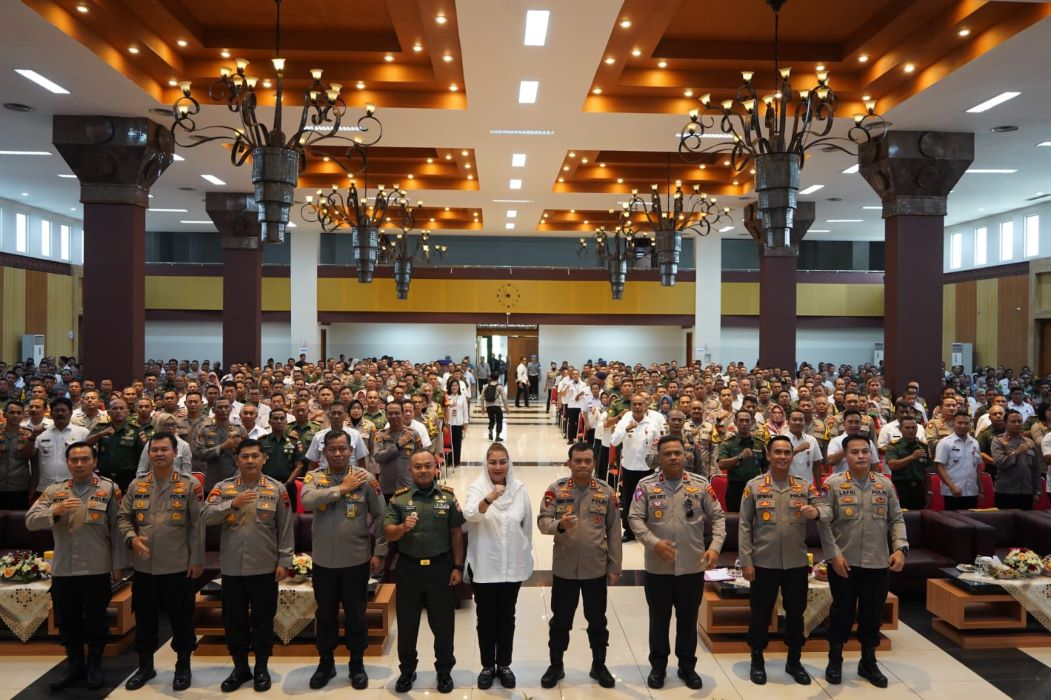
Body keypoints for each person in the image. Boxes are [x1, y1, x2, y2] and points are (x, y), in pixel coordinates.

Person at [25, 442, 124, 691]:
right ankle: (74, 665)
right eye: (74, 460)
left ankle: (94, 666)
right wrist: (55, 511)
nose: (79, 464)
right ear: (68, 463)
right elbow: (30, 521)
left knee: (96, 621)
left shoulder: (109, 489)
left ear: (94, 462)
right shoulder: (54, 491)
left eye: (84, 459)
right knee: (67, 621)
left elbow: (118, 528)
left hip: (97, 568)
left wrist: (119, 565)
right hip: (63, 569)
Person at [629, 435, 725, 690]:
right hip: (658, 568)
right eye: (668, 454)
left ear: (685, 456)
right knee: (658, 620)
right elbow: (635, 518)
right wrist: (653, 542)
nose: (673, 457)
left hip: (691, 566)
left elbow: (718, 517)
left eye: (678, 453)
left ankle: (687, 666)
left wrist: (714, 548)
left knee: (687, 619)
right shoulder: (646, 485)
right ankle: (658, 667)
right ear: (658, 458)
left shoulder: (700, 484)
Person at [738, 436, 832, 686]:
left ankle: (794, 660)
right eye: (777, 452)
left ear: (793, 456)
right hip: (763, 563)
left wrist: (817, 512)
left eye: (786, 452)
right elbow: (744, 526)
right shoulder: (754, 486)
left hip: (796, 564)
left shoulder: (804, 486)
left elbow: (827, 510)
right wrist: (746, 560)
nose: (782, 457)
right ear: (768, 455)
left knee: (796, 614)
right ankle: (757, 658)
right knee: (759, 613)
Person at [202, 439, 294, 693]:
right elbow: (205, 516)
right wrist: (232, 503)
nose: (250, 461)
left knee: (264, 620)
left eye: (255, 456)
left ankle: (261, 667)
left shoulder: (277, 489)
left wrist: (285, 561)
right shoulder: (223, 488)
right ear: (236, 460)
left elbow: (285, 529)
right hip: (232, 568)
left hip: (265, 567)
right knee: (234, 621)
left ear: (264, 459)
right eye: (245, 456)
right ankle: (240, 667)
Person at [117, 432, 205, 691]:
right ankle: (145, 666)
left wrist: (197, 559)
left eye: (164, 449)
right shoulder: (137, 485)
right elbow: (123, 518)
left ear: (175, 453)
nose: (158, 454)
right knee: (144, 618)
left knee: (181, 619)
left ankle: (183, 666)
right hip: (144, 567)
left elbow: (197, 526)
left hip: (178, 565)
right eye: (154, 450)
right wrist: (132, 538)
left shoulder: (190, 485)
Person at [300, 430, 387, 690]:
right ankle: (325, 662)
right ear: (324, 452)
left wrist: (379, 552)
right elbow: (307, 500)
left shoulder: (365, 478)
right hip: (324, 562)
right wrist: (341, 489)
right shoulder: (314, 477)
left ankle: (356, 663)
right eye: (332, 449)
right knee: (324, 615)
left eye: (342, 449)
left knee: (356, 615)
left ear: (351, 450)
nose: (337, 454)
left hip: (356, 560)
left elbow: (381, 515)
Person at [823, 435, 908, 688]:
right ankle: (835, 659)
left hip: (877, 561)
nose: (861, 456)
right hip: (843, 562)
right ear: (845, 456)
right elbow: (824, 524)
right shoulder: (833, 484)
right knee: (841, 613)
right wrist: (833, 555)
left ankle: (868, 661)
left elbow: (896, 520)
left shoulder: (884, 485)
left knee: (872, 614)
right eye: (855, 452)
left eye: (865, 452)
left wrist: (901, 548)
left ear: (871, 455)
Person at [536, 442, 622, 689]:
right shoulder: (557, 490)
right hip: (564, 569)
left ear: (594, 463)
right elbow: (543, 522)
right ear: (569, 463)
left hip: (595, 568)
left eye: (587, 461)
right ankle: (556, 665)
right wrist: (559, 525)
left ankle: (599, 664)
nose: (583, 465)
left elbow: (614, 532)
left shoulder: (606, 492)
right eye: (578, 461)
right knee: (560, 620)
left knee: (597, 620)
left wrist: (615, 567)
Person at [383, 450, 465, 694]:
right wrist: (402, 527)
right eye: (417, 467)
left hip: (440, 569)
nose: (423, 470)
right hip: (409, 569)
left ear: (436, 468)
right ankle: (407, 671)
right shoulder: (399, 500)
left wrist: (457, 567)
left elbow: (456, 534)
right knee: (407, 625)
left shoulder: (448, 498)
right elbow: (388, 533)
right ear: (410, 470)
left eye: (428, 466)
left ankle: (444, 671)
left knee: (443, 625)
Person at [462, 442, 534, 689]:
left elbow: (527, 528)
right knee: (486, 618)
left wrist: (524, 556)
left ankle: (504, 664)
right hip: (485, 566)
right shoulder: (477, 487)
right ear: (486, 464)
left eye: (502, 461)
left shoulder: (520, 489)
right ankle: (486, 665)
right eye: (493, 462)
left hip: (512, 567)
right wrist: (489, 498)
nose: (498, 466)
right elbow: (470, 515)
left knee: (507, 617)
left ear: (509, 463)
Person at [610, 393, 663, 540]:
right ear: (631, 406)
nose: (638, 407)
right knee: (629, 500)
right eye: (635, 404)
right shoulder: (625, 421)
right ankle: (629, 531)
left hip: (648, 468)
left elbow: (658, 444)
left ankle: (647, 530)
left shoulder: (652, 423)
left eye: (641, 404)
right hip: (629, 467)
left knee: (650, 499)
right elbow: (613, 442)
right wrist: (625, 429)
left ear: (646, 406)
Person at [32, 397, 89, 490]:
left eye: (63, 410)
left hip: (75, 488)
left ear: (71, 413)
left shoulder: (83, 433)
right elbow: (34, 463)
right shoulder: (41, 434)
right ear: (50, 414)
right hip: (46, 488)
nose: (60, 413)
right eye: (56, 411)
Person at [717, 410, 769, 512]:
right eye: (741, 420)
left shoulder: (759, 443)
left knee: (757, 519)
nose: (744, 423)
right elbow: (721, 464)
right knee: (735, 521)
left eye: (747, 420)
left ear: (752, 422)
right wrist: (739, 457)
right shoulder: (728, 443)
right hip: (735, 488)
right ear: (736, 423)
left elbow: (765, 467)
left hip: (756, 488)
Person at [991, 410, 1043, 510]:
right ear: (1005, 423)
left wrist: (1036, 491)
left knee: (1025, 524)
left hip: (1026, 492)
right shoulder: (998, 441)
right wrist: (1017, 452)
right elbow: (999, 463)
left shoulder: (1029, 442)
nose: (1017, 424)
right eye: (1013, 421)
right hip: (1006, 492)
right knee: (1005, 523)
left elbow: (1035, 469)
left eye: (1019, 421)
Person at [374, 402, 423, 500]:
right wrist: (397, 445)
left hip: (407, 486)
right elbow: (378, 457)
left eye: (397, 413)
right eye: (390, 413)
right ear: (386, 415)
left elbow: (420, 459)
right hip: (387, 487)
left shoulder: (413, 434)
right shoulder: (380, 435)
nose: (393, 416)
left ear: (402, 414)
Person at [934, 411, 983, 510]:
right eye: (959, 423)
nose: (963, 425)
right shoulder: (945, 442)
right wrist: (952, 486)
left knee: (972, 522)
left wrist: (981, 490)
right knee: (954, 523)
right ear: (953, 423)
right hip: (953, 492)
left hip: (972, 491)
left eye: (966, 423)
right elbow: (940, 467)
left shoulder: (975, 443)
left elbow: (977, 467)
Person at [884, 416, 931, 510]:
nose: (911, 430)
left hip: (919, 488)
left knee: (919, 518)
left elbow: (926, 471)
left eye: (913, 428)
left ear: (917, 429)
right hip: (900, 488)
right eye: (907, 428)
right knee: (902, 518)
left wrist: (928, 492)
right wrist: (912, 457)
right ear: (901, 429)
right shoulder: (894, 446)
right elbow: (892, 465)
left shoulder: (923, 446)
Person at [0, 400, 34, 509]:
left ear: (23, 415)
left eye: (19, 413)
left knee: (17, 521)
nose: (15, 415)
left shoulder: (29, 434)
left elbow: (33, 460)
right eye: (12, 412)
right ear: (5, 414)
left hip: (20, 486)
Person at [445, 378, 469, 467]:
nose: (454, 387)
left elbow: (465, 411)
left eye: (456, 385)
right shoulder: (447, 396)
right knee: (448, 443)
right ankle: (449, 461)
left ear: (458, 387)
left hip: (459, 423)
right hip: (449, 423)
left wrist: (465, 424)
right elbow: (444, 408)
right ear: (449, 387)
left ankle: (456, 461)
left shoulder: (462, 396)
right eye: (452, 385)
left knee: (457, 443)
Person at [482, 376, 506, 441]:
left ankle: (490, 432)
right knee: (499, 420)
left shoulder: (486, 386)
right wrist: (507, 407)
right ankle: (497, 436)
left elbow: (482, 397)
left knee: (491, 420)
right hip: (496, 406)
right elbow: (504, 398)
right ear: (498, 378)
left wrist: (482, 407)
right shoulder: (499, 386)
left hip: (488, 406)